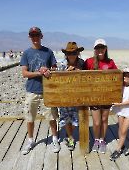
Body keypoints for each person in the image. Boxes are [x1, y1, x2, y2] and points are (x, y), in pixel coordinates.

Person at [20, 26, 60, 155]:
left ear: (41, 36)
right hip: (31, 90)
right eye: (32, 35)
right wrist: (40, 72)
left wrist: (49, 71)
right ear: (29, 37)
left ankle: (54, 138)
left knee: (52, 116)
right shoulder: (26, 53)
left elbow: (54, 68)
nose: (35, 38)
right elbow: (24, 73)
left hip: (47, 91)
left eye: (37, 35)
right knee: (30, 117)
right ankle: (30, 140)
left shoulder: (48, 52)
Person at [84, 38, 118, 153]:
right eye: (98, 48)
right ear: (95, 49)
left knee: (104, 119)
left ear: (105, 49)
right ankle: (96, 140)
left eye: (102, 47)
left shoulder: (111, 62)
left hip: (107, 97)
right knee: (96, 122)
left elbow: (116, 78)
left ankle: (102, 140)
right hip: (93, 97)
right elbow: (81, 76)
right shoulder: (88, 62)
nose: (100, 50)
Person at [59, 42, 85, 150]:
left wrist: (80, 72)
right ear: (66, 54)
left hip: (77, 96)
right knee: (66, 118)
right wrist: (66, 73)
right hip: (64, 96)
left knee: (75, 120)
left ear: (77, 53)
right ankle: (70, 138)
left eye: (74, 53)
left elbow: (88, 76)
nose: (72, 55)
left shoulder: (82, 63)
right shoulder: (62, 64)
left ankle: (69, 133)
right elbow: (56, 79)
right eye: (70, 53)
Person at [109, 68, 129, 161]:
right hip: (121, 111)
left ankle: (117, 150)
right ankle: (122, 145)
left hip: (128, 112)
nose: (126, 77)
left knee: (124, 131)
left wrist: (119, 104)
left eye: (128, 75)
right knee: (120, 129)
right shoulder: (119, 86)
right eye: (124, 75)